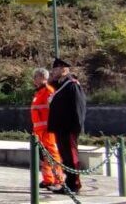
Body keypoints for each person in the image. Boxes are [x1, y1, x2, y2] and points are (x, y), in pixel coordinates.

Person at [48, 58, 87, 195]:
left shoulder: (72, 85)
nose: (53, 72)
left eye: (56, 69)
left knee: (71, 157)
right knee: (65, 157)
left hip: (69, 128)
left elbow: (78, 107)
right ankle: (68, 183)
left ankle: (75, 184)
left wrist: (76, 127)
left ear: (63, 69)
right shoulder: (61, 85)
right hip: (61, 128)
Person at [30, 68, 65, 191]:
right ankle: (48, 179)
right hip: (39, 131)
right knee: (44, 156)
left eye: (36, 76)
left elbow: (54, 111)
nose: (34, 79)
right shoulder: (39, 92)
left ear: (42, 77)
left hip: (47, 130)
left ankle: (59, 181)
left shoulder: (48, 91)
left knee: (53, 155)